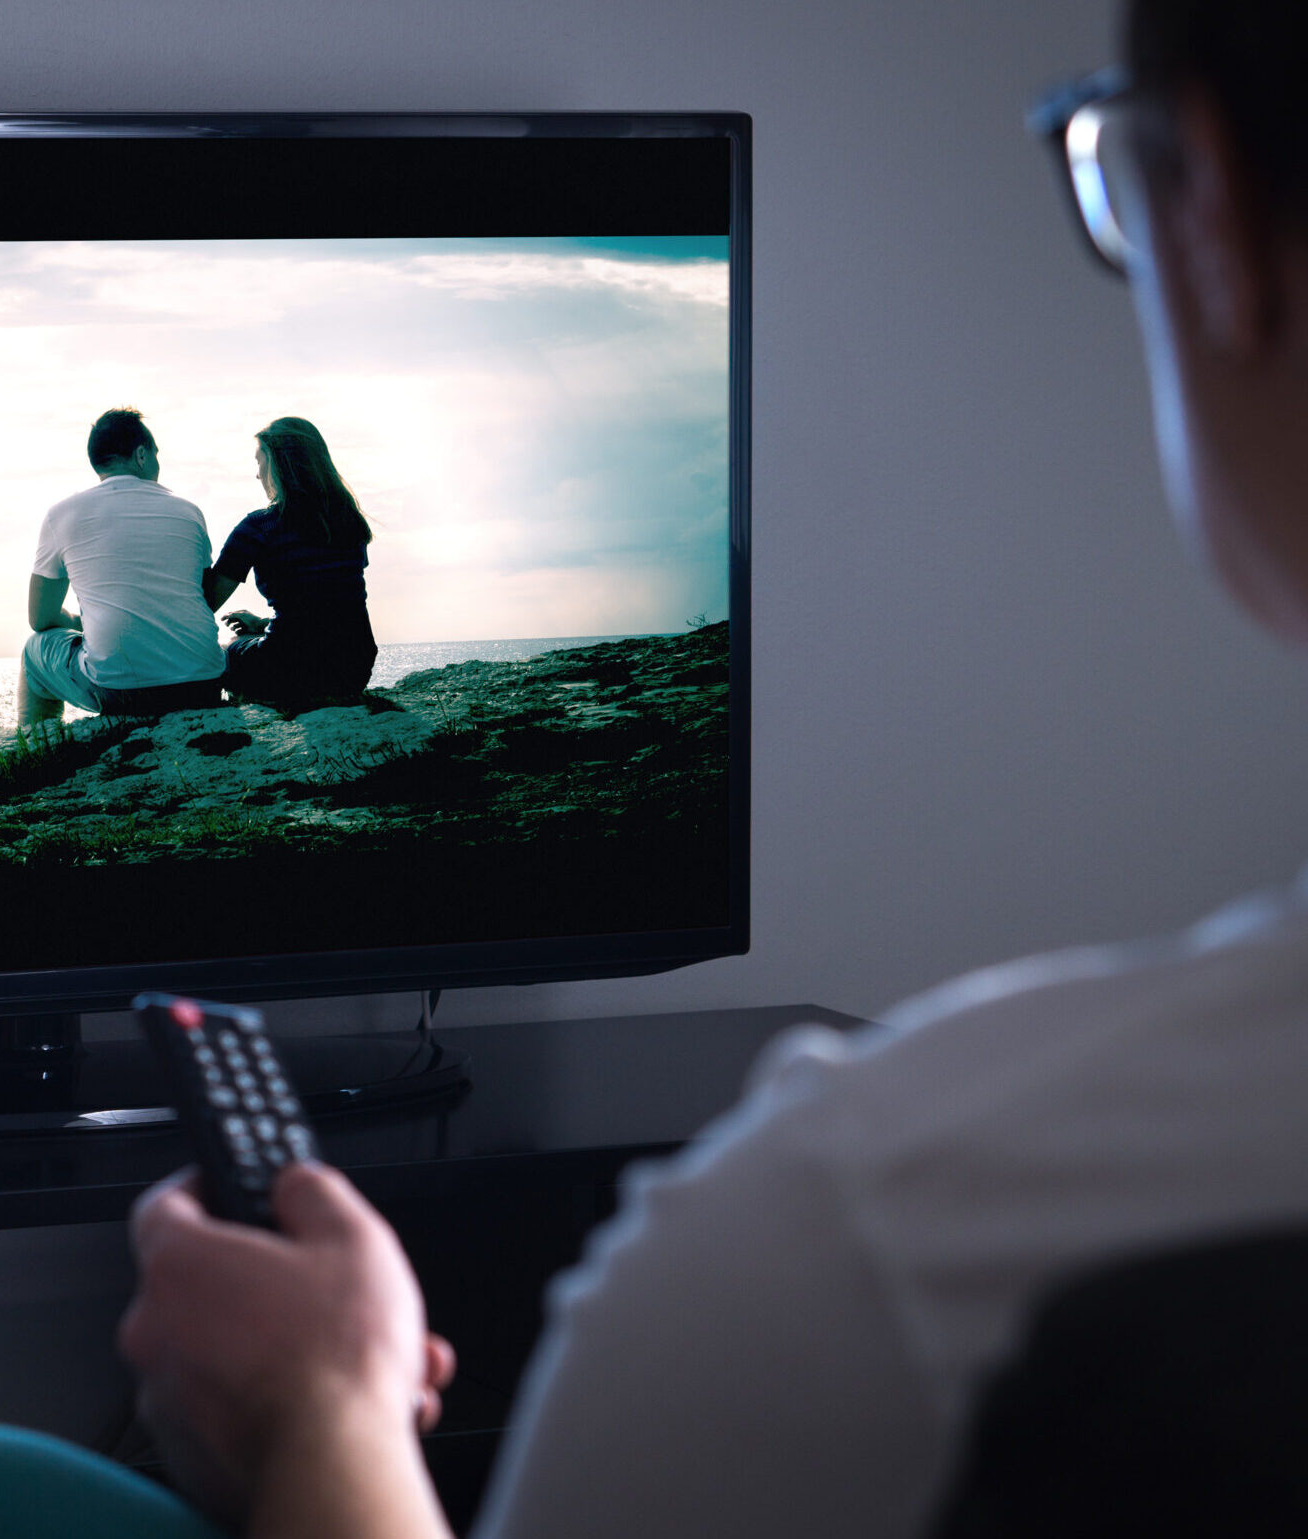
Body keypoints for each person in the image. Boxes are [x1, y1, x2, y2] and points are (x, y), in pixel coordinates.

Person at [118, 3, 1308, 1538]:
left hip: (280, 682)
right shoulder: (340, 513)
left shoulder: (867, 1236)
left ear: (1213, 214)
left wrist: (319, 1417)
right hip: (348, 663)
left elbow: (227, 601)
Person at [18, 408, 227, 726]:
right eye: (156, 454)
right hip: (203, 684)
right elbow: (197, 598)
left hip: (122, 693)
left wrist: (79, 621)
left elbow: (40, 618)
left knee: (34, 649)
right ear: (141, 455)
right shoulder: (189, 512)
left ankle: (38, 745)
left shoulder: (62, 515)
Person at [203, 418, 379, 705]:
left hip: (289, 669)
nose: (257, 475)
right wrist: (263, 623)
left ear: (277, 463)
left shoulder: (260, 526)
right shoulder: (349, 521)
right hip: (353, 668)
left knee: (226, 648)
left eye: (259, 461)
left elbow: (208, 601)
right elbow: (329, 605)